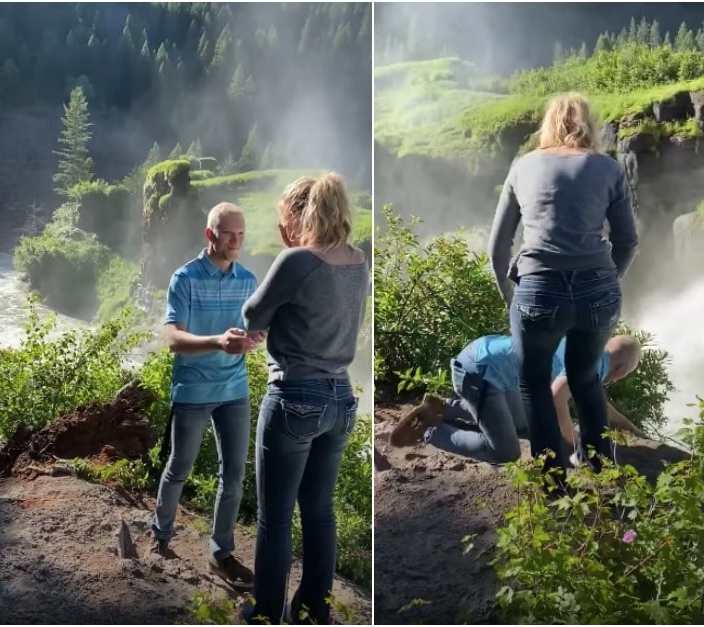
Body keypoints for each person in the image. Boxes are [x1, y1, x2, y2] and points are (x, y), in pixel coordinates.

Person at [488, 93, 640, 478]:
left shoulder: (524, 167)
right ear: (588, 124)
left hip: (538, 289)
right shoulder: (608, 168)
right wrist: (606, 280)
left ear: (548, 125)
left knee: (535, 383)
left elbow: (498, 246)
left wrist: (511, 295)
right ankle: (600, 468)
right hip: (598, 291)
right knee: (585, 376)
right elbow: (627, 240)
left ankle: (552, 480)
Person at [241, 173, 369, 624]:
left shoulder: (297, 259)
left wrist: (287, 247)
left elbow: (253, 312)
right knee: (319, 512)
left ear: (297, 217)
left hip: (295, 396)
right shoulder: (359, 261)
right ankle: (316, 610)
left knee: (275, 517)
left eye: (283, 222)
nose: (282, 230)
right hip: (341, 399)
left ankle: (265, 613)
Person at [151, 202, 261, 591]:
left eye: (241, 235)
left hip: (234, 389)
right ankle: (161, 535)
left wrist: (254, 339)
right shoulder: (184, 278)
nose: (236, 241)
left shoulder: (248, 280)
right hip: (194, 389)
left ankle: (221, 553)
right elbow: (173, 341)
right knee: (180, 465)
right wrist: (217, 341)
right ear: (210, 235)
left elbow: (251, 330)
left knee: (233, 474)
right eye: (229, 234)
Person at [388, 334, 647, 464]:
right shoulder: (590, 368)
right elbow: (557, 396)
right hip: (478, 374)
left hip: (484, 357)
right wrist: (569, 443)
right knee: (506, 452)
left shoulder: (588, 350)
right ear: (620, 371)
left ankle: (446, 408)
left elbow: (598, 402)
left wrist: (634, 429)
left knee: (524, 425)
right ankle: (431, 430)